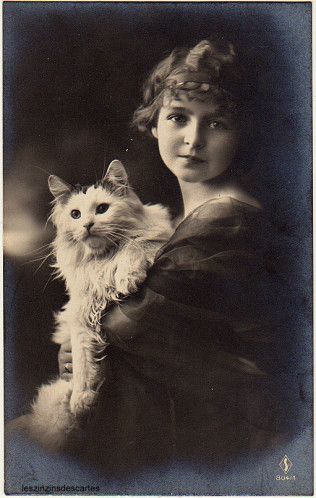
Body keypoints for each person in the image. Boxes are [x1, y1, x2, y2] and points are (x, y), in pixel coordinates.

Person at [58, 38, 295, 472]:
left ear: (242, 133)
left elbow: (128, 326)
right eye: (178, 117)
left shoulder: (225, 222)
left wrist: (82, 338)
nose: (193, 140)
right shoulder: (199, 212)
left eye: (217, 123)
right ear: (153, 124)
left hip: (229, 438)